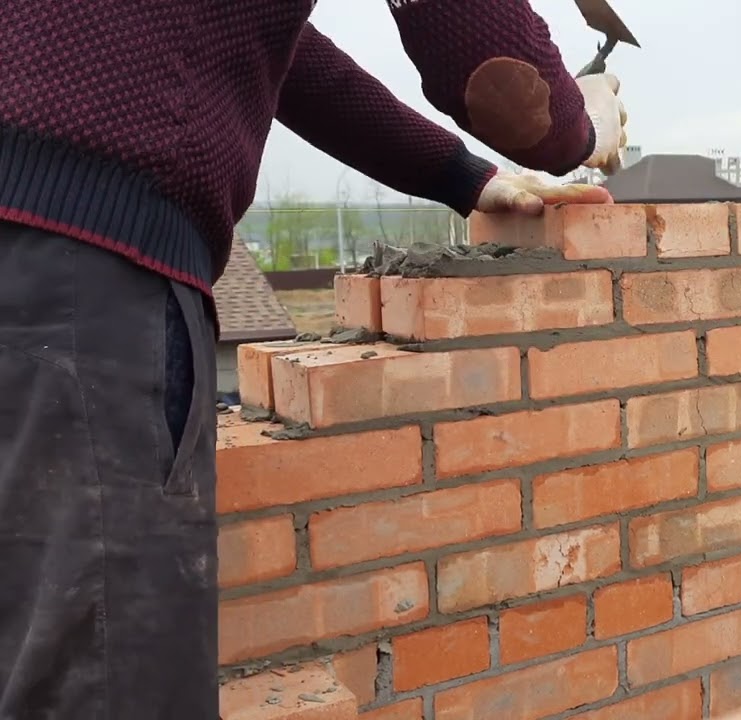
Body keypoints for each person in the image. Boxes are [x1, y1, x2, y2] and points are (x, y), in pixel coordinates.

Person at [0, 2, 628, 718]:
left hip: (39, 274)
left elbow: (279, 50)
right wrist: (581, 123)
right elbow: (498, 70)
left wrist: (462, 176)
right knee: (104, 688)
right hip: (77, 283)